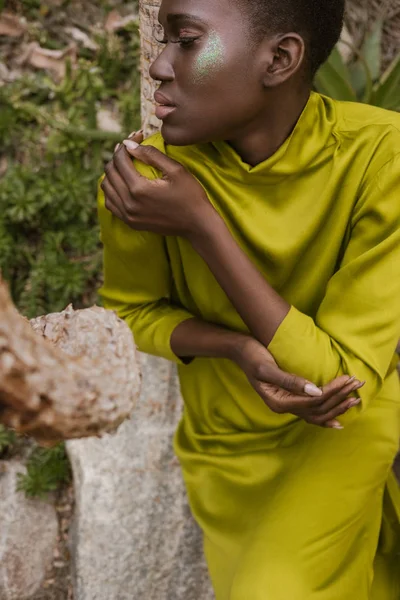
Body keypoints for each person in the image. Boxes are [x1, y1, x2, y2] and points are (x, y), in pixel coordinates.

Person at [97, 0, 400, 597]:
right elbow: (128, 314)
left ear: (281, 58)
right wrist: (234, 347)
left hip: (341, 431)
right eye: (163, 41)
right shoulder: (149, 180)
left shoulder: (380, 158)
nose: (159, 66)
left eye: (186, 40)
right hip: (225, 451)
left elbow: (334, 381)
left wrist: (203, 227)